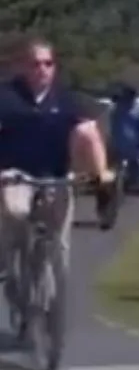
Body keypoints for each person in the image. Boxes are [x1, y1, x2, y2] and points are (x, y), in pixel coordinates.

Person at [0, 36, 116, 272]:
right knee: (16, 211)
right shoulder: (7, 96)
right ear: (24, 67)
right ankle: (10, 259)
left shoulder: (66, 98)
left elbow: (90, 133)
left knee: (59, 243)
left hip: (57, 176)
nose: (42, 69)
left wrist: (100, 173)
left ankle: (54, 300)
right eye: (35, 64)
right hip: (16, 174)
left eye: (48, 63)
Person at [108, 83, 139, 192]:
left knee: (137, 167)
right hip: (118, 145)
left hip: (136, 147)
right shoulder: (116, 109)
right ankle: (121, 186)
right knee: (117, 170)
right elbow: (112, 125)